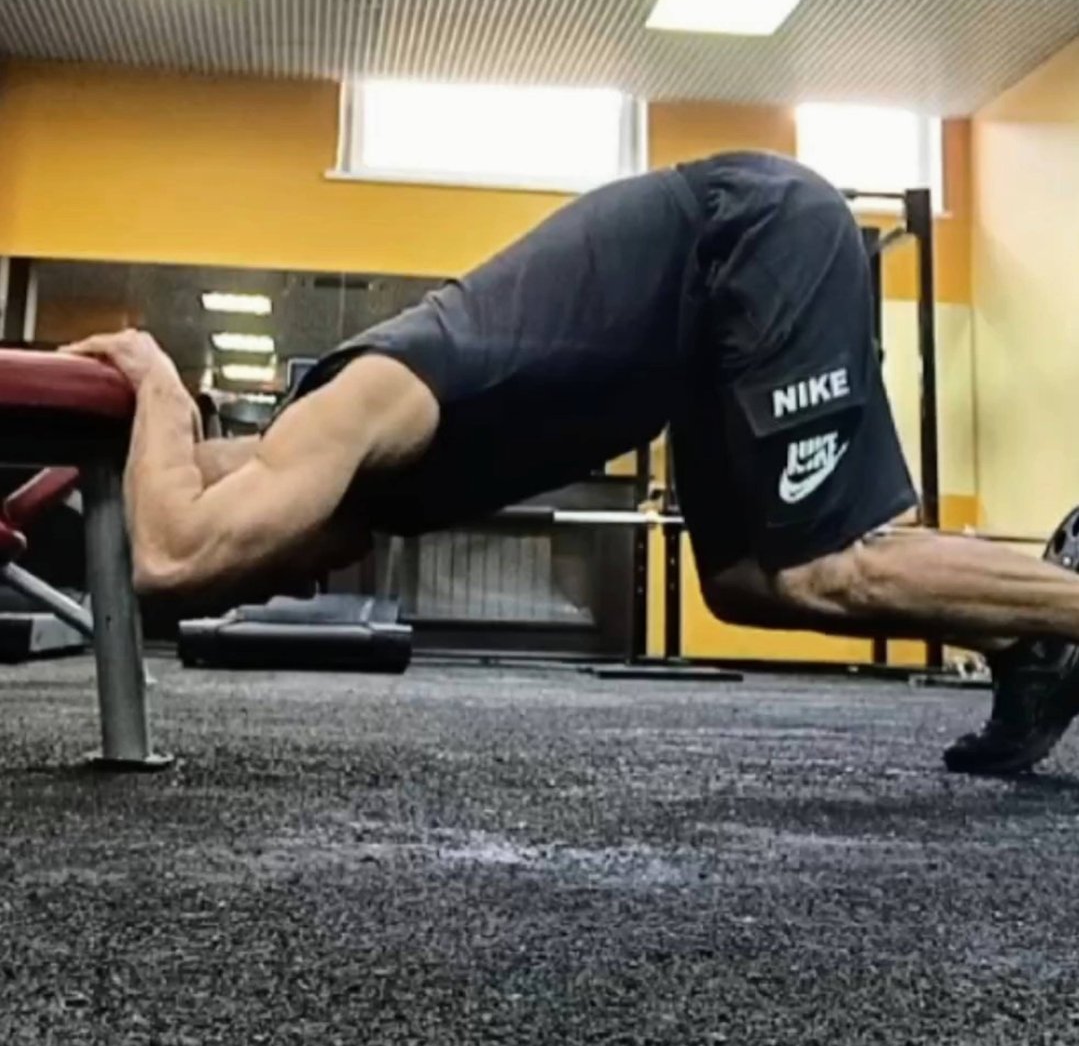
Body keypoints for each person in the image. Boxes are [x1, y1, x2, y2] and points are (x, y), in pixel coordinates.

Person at [67, 151, 1079, 778]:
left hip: (747, 235)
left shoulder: (352, 407)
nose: (278, 584)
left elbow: (173, 558)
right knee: (744, 584)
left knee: (821, 565)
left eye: (263, 561)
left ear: (270, 480)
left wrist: (156, 384)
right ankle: (1023, 640)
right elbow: (202, 526)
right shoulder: (357, 470)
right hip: (691, 334)